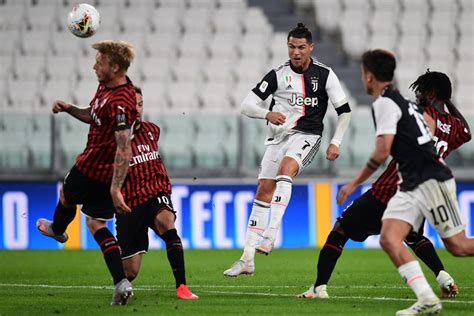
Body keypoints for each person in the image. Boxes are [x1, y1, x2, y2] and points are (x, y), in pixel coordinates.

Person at [296, 70, 471, 300]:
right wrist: (448, 103)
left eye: (421, 91)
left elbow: (387, 145)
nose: (417, 95)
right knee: (413, 235)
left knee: (341, 229)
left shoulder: (421, 114)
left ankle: (319, 288)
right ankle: (443, 276)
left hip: (390, 187)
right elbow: (467, 132)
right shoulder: (453, 125)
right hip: (423, 191)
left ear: (431, 93)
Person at [333, 49, 474, 315]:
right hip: (411, 183)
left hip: (430, 180)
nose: (418, 94)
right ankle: (427, 298)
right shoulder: (433, 116)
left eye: (363, 73)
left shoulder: (400, 107)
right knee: (389, 238)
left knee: (459, 246)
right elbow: (462, 132)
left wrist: (353, 184)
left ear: (369, 76)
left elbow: (383, 150)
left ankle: (429, 292)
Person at [224, 23, 352, 277]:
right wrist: (266, 113)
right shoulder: (277, 75)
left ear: (310, 48)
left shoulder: (325, 75)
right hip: (277, 139)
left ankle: (271, 233)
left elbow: (344, 111)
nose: (296, 52)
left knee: (286, 170)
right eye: (292, 46)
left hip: (308, 135)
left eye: (301, 47)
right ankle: (247, 258)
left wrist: (335, 141)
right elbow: (246, 106)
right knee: (263, 190)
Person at [36, 40, 137, 305]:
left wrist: (116, 188)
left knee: (66, 196)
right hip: (104, 176)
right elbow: (94, 115)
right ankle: (121, 283)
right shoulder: (106, 87)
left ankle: (58, 228)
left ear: (115, 67)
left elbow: (124, 147)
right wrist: (70, 108)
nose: (95, 66)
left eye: (100, 62)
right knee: (96, 223)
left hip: (90, 168)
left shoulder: (122, 102)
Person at [116, 87, 198, 300]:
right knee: (130, 272)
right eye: (133, 104)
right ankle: (120, 280)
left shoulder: (152, 130)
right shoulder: (113, 138)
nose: (138, 108)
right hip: (129, 203)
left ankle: (182, 286)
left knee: (167, 223)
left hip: (155, 193)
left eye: (141, 104)